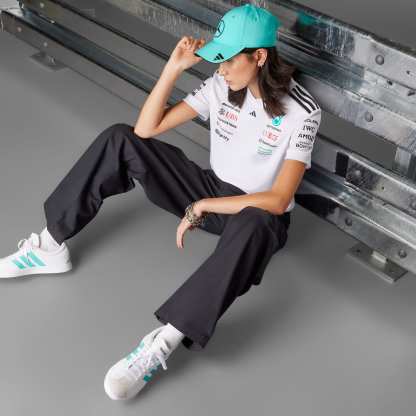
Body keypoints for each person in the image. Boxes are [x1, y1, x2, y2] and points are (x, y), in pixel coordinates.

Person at [0, 3, 321, 400]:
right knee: (121, 138)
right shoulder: (221, 85)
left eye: (228, 60)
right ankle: (50, 246)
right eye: (218, 60)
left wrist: (203, 207)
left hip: (256, 212)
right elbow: (145, 128)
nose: (220, 69)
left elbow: (279, 198)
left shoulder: (302, 111)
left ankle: (163, 341)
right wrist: (173, 68)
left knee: (258, 223)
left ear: (258, 57)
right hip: (210, 187)